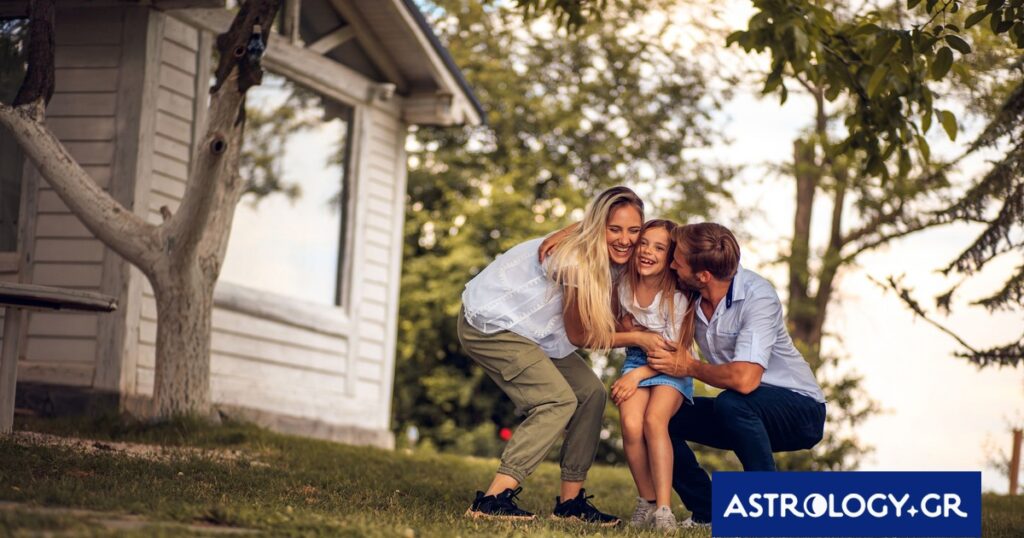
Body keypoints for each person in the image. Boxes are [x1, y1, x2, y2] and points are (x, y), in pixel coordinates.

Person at [458, 186, 656, 526]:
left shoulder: (611, 258)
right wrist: (639, 338)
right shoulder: (576, 261)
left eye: (633, 230)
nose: (625, 239)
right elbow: (581, 336)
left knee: (591, 394)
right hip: (491, 325)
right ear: (598, 228)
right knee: (557, 401)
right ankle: (491, 500)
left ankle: (570, 506)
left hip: (533, 333)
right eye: (615, 229)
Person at [645, 222, 827, 526]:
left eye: (678, 259)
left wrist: (689, 366)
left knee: (733, 401)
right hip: (744, 413)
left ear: (703, 275)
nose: (672, 263)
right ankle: (709, 512)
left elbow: (745, 380)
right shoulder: (689, 292)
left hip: (801, 411)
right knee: (661, 417)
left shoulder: (758, 297)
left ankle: (767, 516)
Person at [607, 219, 698, 531]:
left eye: (659, 247)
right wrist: (630, 332)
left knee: (653, 421)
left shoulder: (676, 298)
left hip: (672, 366)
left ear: (671, 257)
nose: (647, 251)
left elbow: (673, 354)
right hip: (637, 358)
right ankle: (645, 501)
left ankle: (663, 509)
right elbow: (617, 326)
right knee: (631, 425)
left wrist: (635, 377)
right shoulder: (622, 285)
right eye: (644, 243)